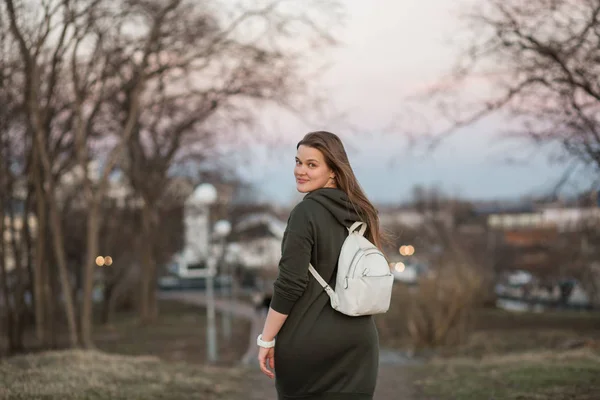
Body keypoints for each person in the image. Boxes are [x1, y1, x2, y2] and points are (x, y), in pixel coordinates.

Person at [257, 131, 385, 400]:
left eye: (311, 164)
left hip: (309, 342)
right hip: (358, 343)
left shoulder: (305, 213)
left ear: (333, 172)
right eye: (298, 162)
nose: (300, 171)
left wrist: (266, 339)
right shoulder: (363, 212)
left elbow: (290, 284)